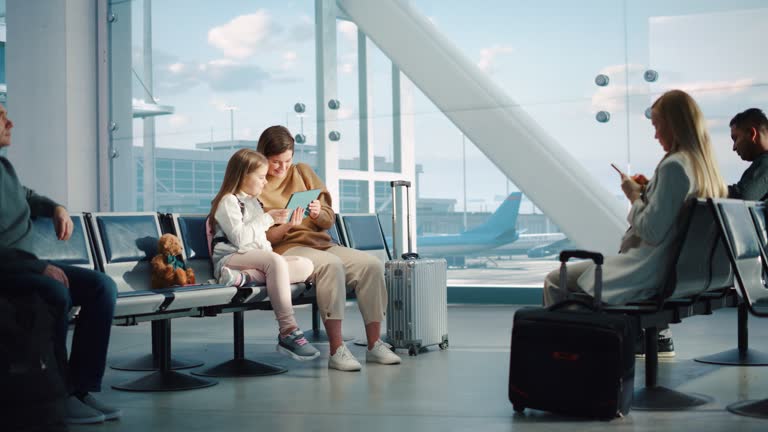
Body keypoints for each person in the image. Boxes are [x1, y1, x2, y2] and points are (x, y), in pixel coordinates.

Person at [542, 89, 728, 356]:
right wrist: (649, 192)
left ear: (673, 124)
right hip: (685, 274)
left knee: (555, 280)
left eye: (657, 125)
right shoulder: (704, 169)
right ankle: (582, 345)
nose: (655, 135)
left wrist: (633, 196)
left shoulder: (674, 166)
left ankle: (569, 351)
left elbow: (651, 230)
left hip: (651, 271)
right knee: (574, 281)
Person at [0, 104, 120, 424]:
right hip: (8, 269)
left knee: (101, 287)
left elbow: (27, 196)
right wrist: (37, 268)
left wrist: (57, 207)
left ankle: (80, 387)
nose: (10, 121)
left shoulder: (4, 167)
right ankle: (56, 392)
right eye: (0, 117)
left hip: (25, 265)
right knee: (54, 291)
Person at [256, 125, 401, 371]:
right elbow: (260, 236)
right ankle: (337, 350)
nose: (282, 168)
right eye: (275, 162)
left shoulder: (302, 172)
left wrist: (316, 213)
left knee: (371, 266)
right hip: (287, 249)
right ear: (263, 157)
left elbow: (328, 218)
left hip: (321, 242)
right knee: (331, 266)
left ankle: (375, 344)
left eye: (287, 161)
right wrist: (283, 222)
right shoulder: (256, 181)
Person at [209, 148, 320, 361]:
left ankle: (245, 278)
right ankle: (288, 330)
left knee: (306, 264)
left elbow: (261, 242)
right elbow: (240, 239)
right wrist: (268, 219)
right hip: (232, 258)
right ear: (243, 176)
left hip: (253, 259)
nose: (265, 182)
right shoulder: (229, 201)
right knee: (274, 262)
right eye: (261, 177)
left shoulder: (254, 203)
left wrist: (284, 224)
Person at [728, 107, 768, 201]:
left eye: (735, 138)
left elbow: (741, 197)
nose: (734, 147)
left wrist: (709, 188)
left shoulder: (765, 163)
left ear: (751, 133)